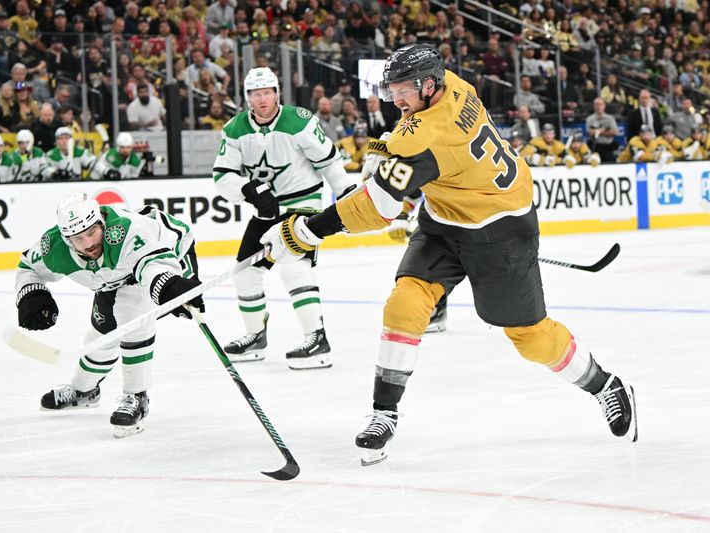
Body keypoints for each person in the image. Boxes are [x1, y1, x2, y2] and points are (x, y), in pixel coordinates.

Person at [260, 45, 638, 466]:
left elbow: (376, 207)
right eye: (392, 89)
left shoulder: (427, 135)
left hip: (502, 231)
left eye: (403, 90)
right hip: (446, 218)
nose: (396, 100)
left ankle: (605, 385)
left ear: (427, 84)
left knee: (529, 337)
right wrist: (399, 181)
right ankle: (384, 413)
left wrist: (304, 231)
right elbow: (421, 158)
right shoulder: (453, 85)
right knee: (404, 303)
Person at [14, 193, 203, 437]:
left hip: (169, 254)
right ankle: (84, 391)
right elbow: (28, 266)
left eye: (92, 232)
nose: (88, 243)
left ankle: (137, 396)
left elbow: (152, 264)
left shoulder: (128, 232)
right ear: (66, 238)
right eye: (78, 238)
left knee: (133, 322)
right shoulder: (54, 247)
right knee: (100, 336)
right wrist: (31, 293)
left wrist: (167, 286)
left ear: (102, 223)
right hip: (116, 276)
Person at [212, 67, 353, 370]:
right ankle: (255, 336)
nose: (263, 99)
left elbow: (328, 159)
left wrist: (345, 194)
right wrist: (248, 189)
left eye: (267, 92)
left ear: (277, 93)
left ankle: (317, 338)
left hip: (303, 204)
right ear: (247, 97)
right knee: (245, 272)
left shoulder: (298, 121)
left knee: (293, 265)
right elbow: (222, 175)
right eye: (256, 94)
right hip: (267, 210)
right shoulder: (235, 129)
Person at [585, 98, 620, 162]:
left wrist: (598, 132)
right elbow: (590, 133)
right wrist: (604, 130)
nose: (598, 106)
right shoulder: (590, 119)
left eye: (600, 104)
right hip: (595, 146)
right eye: (596, 104)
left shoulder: (610, 118)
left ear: (604, 106)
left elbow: (615, 132)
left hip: (608, 146)